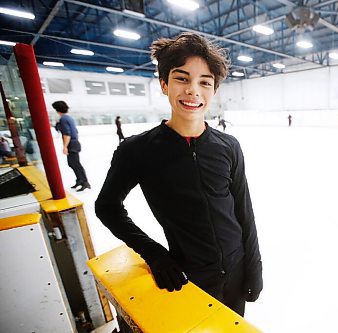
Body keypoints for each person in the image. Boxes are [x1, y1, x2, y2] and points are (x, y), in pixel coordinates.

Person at [95, 32, 263, 317]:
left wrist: (254, 268)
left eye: (204, 83)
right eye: (182, 78)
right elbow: (107, 207)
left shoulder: (229, 146)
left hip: (236, 270)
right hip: (189, 277)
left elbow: (244, 211)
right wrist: (155, 254)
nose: (193, 90)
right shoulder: (138, 150)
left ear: (214, 90)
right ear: (164, 84)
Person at [51, 101, 91, 191]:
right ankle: (80, 180)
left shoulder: (63, 119)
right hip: (74, 143)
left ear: (57, 110)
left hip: (71, 143)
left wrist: (65, 146)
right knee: (72, 163)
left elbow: (67, 134)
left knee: (76, 164)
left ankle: (85, 182)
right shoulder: (68, 118)